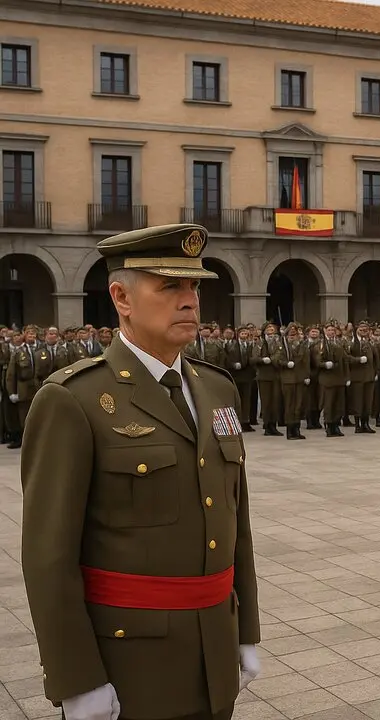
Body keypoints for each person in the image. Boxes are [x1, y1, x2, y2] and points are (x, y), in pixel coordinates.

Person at [20, 224, 261, 720]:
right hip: (131, 662)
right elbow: (48, 558)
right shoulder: (74, 399)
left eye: (194, 286)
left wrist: (244, 630)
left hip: (213, 648)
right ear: (121, 297)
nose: (189, 300)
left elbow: (237, 524)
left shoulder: (217, 390)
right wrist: (77, 678)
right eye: (170, 285)